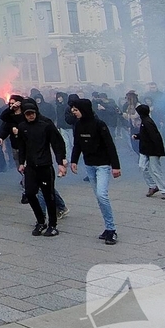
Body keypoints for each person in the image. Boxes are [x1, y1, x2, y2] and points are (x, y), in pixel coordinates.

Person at [69, 99, 122, 245]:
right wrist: (74, 160)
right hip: (89, 165)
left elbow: (110, 145)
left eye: (76, 109)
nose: (73, 112)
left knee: (102, 195)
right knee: (99, 198)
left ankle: (112, 230)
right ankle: (107, 228)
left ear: (83, 109)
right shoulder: (78, 125)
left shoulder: (99, 124)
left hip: (103, 165)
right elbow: (77, 144)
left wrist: (115, 166)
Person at [16, 101, 67, 237]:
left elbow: (57, 143)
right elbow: (21, 146)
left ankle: (53, 225)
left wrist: (60, 161)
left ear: (36, 112)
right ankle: (40, 221)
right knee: (30, 193)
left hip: (45, 165)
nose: (30, 116)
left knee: (48, 195)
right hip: (31, 166)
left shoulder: (46, 124)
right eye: (27, 114)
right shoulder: (22, 127)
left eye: (32, 113)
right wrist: (21, 162)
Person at [132, 104, 165, 200]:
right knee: (142, 167)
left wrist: (158, 151)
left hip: (152, 150)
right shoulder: (145, 121)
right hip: (145, 149)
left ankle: (163, 191)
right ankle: (152, 185)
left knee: (156, 170)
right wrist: (138, 136)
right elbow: (146, 135)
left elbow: (155, 137)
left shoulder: (147, 122)